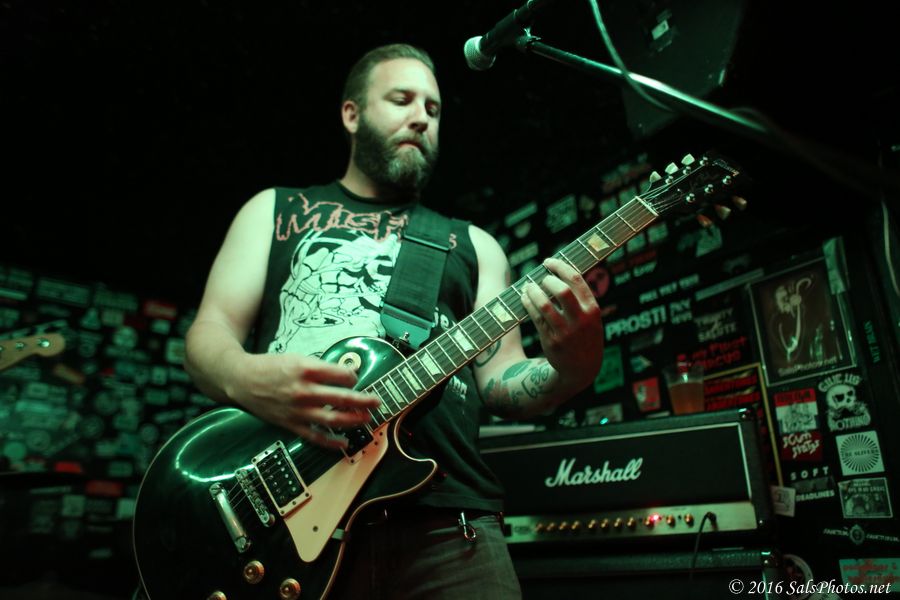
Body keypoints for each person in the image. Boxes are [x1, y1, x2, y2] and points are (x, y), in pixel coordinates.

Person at [184, 43, 604, 599]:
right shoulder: (274, 211)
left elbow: (501, 381)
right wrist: (244, 377)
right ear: (351, 114)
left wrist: (573, 369)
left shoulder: (474, 245)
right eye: (402, 100)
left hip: (447, 527)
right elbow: (208, 335)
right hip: (287, 510)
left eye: (433, 108)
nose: (421, 117)